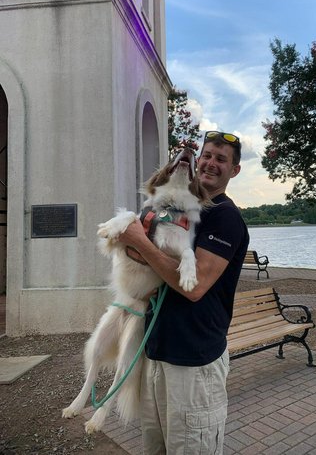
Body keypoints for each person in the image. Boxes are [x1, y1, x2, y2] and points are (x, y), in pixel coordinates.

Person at [119, 130, 249, 455]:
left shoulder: (224, 216)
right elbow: (149, 263)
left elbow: (196, 287)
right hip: (157, 352)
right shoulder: (180, 209)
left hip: (193, 363)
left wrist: (139, 242)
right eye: (207, 156)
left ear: (234, 170)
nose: (211, 163)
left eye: (222, 160)